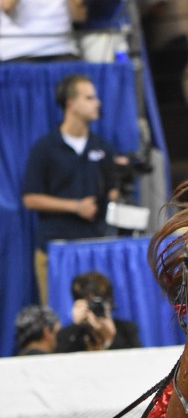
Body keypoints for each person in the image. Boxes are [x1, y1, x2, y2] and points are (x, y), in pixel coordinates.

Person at [22, 74, 122, 304]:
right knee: (59, 313)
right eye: (89, 97)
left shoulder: (102, 147)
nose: (97, 103)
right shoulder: (45, 148)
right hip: (56, 249)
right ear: (71, 104)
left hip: (95, 246)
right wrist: (76, 207)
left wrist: (114, 197)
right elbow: (30, 198)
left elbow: (112, 191)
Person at [128, 0, 188, 106]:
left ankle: (185, 126)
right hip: (154, 46)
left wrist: (138, 12)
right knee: (161, 92)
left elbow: (157, 9)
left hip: (172, 43)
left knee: (172, 90)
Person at [56, 271, 142, 352]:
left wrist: (110, 337)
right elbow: (58, 362)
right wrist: (75, 327)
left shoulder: (127, 330)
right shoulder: (67, 335)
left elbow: (136, 361)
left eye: (98, 303)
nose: (95, 308)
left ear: (109, 304)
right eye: (90, 303)